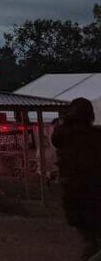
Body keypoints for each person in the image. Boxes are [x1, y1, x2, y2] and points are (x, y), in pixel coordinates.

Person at [51, 98, 101, 259]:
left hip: (74, 192)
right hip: (93, 191)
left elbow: (56, 139)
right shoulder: (95, 136)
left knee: (89, 237)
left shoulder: (63, 134)